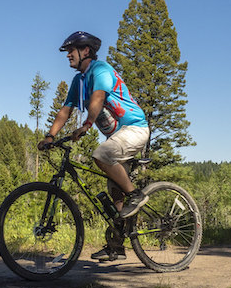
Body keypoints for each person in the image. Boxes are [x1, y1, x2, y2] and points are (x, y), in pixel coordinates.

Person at [39, 31, 150, 261]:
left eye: (71, 50)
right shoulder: (78, 81)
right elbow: (65, 110)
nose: (68, 55)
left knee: (100, 155)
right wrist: (50, 136)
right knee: (114, 191)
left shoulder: (101, 70)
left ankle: (137, 195)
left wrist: (87, 125)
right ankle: (117, 246)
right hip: (118, 137)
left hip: (135, 129)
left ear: (86, 51)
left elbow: (98, 98)